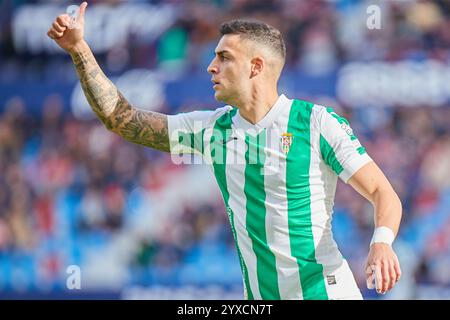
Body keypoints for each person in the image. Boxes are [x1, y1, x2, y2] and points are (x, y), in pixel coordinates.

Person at [47, 2, 402, 300]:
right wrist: (80, 49)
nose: (210, 66)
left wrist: (382, 242)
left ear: (256, 66)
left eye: (223, 57)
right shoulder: (211, 130)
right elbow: (120, 118)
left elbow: (382, 192)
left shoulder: (316, 123)